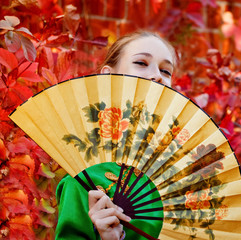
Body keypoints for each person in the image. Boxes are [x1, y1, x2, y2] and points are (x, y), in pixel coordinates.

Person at [55, 31, 177, 240]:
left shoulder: (182, 172)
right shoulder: (85, 177)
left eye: (166, 71)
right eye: (141, 62)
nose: (157, 75)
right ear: (108, 76)